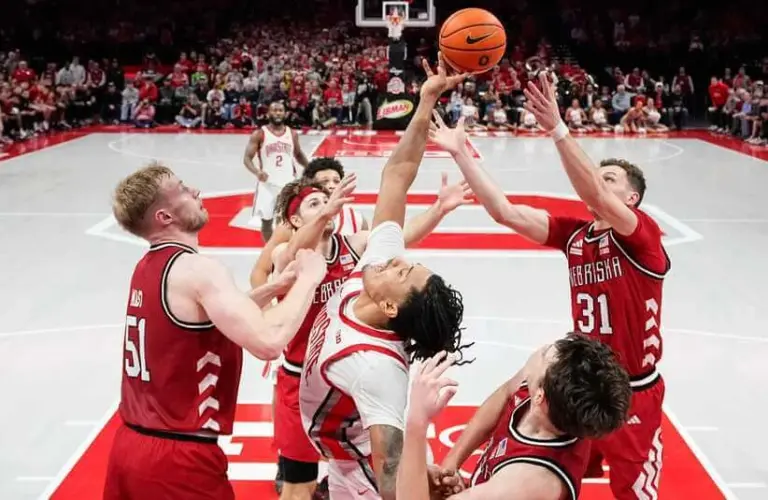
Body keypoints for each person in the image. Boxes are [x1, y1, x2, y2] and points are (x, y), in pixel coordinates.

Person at [430, 71, 670, 500]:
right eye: (602, 174)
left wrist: (558, 129)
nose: (600, 179)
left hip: (632, 390)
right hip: (577, 376)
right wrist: (460, 153)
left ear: (631, 199)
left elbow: (596, 194)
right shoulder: (576, 236)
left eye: (611, 177)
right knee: (544, 467)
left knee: (634, 494)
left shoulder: (642, 238)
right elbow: (504, 211)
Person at [103, 162, 328, 499]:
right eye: (182, 189)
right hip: (177, 458)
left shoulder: (149, 266)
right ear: (165, 217)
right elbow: (268, 342)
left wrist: (273, 287)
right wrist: (309, 279)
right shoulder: (200, 269)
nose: (195, 191)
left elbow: (207, 319)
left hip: (129, 447)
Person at [299, 54, 468, 500]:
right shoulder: (373, 274)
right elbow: (396, 175)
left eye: (404, 270)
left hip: (359, 485)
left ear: (392, 307)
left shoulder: (378, 370)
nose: (396, 260)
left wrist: (422, 481)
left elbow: (390, 483)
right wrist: (427, 99)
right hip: (338, 462)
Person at [269, 168, 473, 500]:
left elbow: (397, 234)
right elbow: (274, 268)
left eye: (332, 188)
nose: (330, 195)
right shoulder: (287, 255)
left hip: (342, 389)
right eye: (316, 199)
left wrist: (438, 209)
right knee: (297, 482)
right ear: (293, 220)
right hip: (299, 376)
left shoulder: (357, 252)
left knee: (336, 473)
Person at [397, 334, 631, 499]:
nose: (543, 348)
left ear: (540, 397)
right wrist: (450, 464)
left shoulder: (525, 482)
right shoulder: (556, 400)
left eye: (545, 354)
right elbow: (505, 394)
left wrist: (417, 422)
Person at [249, 157, 368, 290]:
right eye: (325, 181)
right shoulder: (288, 228)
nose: (332, 185)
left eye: (336, 181)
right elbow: (260, 272)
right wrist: (267, 308)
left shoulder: (356, 220)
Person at [244, 100, 310, 243]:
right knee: (267, 221)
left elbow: (298, 155)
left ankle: (283, 249)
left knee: (284, 220)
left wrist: (310, 167)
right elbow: (247, 158)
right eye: (274, 110)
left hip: (288, 183)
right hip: (267, 184)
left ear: (285, 113)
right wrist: (257, 172)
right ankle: (269, 251)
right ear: (268, 113)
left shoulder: (292, 134)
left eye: (280, 110)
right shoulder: (259, 134)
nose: (277, 113)